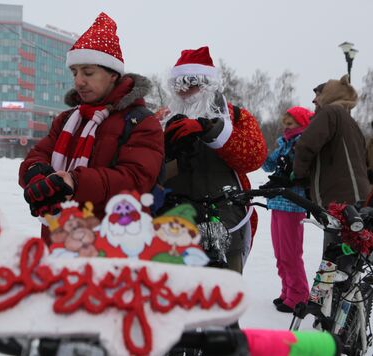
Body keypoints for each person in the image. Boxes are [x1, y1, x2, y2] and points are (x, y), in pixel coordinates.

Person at [19, 12, 164, 244]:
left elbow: (135, 181)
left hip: (113, 248)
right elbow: (38, 154)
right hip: (58, 241)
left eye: (88, 72)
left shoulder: (142, 122)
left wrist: (75, 183)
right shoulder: (67, 119)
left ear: (112, 75)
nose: (78, 81)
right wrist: (35, 173)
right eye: (74, 72)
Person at [162, 46, 267, 273]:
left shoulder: (236, 117)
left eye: (193, 83)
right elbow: (146, 169)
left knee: (223, 295)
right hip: (172, 223)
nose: (185, 91)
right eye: (179, 85)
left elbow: (254, 157)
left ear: (208, 85)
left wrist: (211, 131)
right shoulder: (162, 119)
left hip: (225, 222)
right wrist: (167, 148)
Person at [293, 74, 369, 251]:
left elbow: (305, 145)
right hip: (358, 198)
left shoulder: (330, 112)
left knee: (334, 259)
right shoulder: (350, 122)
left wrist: (299, 174)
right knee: (350, 259)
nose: (314, 100)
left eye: (318, 95)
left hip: (341, 200)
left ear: (330, 95)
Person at [261, 106, 313, 313]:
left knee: (291, 253)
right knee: (280, 252)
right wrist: (263, 151)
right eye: (286, 124)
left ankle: (299, 295)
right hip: (277, 202)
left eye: (291, 124)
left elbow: (303, 170)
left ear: (302, 124)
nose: (287, 128)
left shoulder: (303, 144)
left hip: (293, 203)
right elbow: (267, 166)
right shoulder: (284, 143)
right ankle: (287, 291)